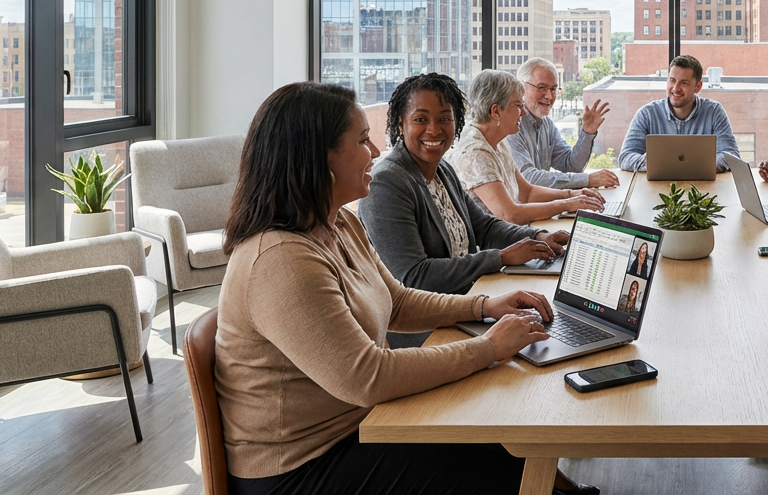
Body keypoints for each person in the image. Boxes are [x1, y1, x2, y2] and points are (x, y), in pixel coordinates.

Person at [214, 81, 597, 495]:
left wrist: (486, 306)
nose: (375, 152)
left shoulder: (338, 223)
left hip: (357, 426)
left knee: (496, 440)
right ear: (317, 156)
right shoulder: (279, 261)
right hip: (302, 467)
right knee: (486, 456)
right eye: (362, 140)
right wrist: (488, 347)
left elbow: (396, 300)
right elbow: (369, 376)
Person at [358, 73, 571, 297]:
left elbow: (484, 228)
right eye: (421, 119)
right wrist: (501, 257)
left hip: (468, 299)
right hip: (427, 326)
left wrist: (538, 236)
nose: (434, 130)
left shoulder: (443, 170)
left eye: (444, 119)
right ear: (401, 124)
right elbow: (414, 276)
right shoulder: (386, 184)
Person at [447, 70, 606, 224]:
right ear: (496, 111)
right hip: (491, 246)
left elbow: (527, 193)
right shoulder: (475, 152)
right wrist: (567, 204)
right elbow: (510, 215)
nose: (523, 113)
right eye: (518, 105)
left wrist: (571, 194)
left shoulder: (497, 141)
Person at [509, 57, 620, 190]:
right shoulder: (510, 125)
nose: (549, 96)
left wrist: (587, 133)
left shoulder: (547, 124)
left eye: (554, 89)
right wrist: (588, 180)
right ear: (521, 87)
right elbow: (528, 178)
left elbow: (571, 166)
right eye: (542, 88)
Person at [617, 54, 739, 173]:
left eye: (684, 83)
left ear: (698, 86)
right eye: (672, 80)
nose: (676, 88)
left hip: (702, 189)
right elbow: (626, 157)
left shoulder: (714, 112)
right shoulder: (647, 114)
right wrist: (651, 163)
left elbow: (731, 155)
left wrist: (691, 167)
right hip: (657, 189)